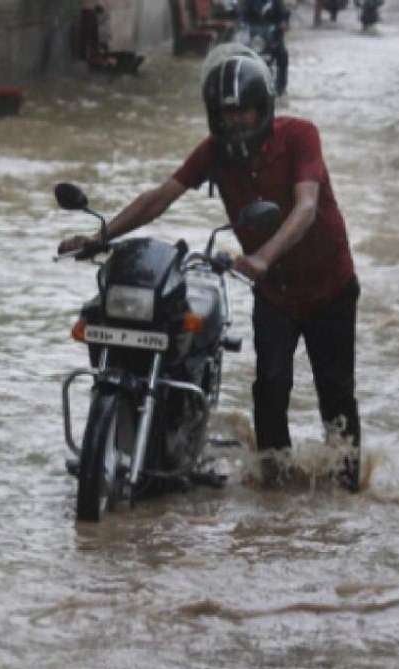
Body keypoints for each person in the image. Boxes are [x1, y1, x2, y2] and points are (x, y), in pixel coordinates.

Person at [57, 46, 362, 491]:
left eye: (244, 111)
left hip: (328, 286)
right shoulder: (214, 153)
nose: (235, 120)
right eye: (226, 113)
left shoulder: (300, 136)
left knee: (335, 394)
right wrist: (102, 237)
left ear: (263, 107)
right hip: (275, 293)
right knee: (271, 388)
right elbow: (161, 196)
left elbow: (307, 206)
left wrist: (261, 257)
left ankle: (350, 490)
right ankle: (275, 495)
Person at [238, 0, 289, 95]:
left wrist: (284, 24)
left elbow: (284, 16)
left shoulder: (276, 2)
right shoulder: (248, 3)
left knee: (283, 55)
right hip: (253, 39)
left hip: (273, 37)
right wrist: (242, 24)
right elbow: (242, 17)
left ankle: (281, 87)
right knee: (240, 56)